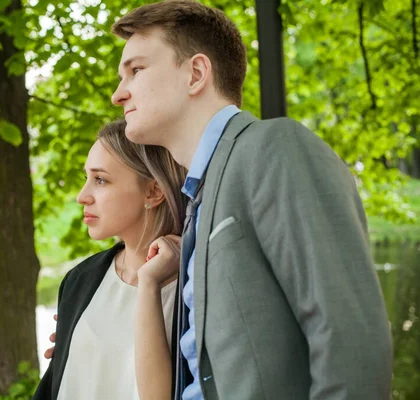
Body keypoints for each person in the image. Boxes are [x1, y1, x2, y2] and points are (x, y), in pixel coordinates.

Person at [110, 1, 394, 399]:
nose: (117, 94)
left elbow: (352, 346)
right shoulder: (199, 198)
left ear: (195, 74)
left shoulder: (275, 148)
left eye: (136, 70)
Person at [32, 119, 188, 400]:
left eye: (100, 180)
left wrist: (149, 283)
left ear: (153, 192)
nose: (82, 197)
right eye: (86, 178)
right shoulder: (80, 280)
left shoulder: (195, 292)